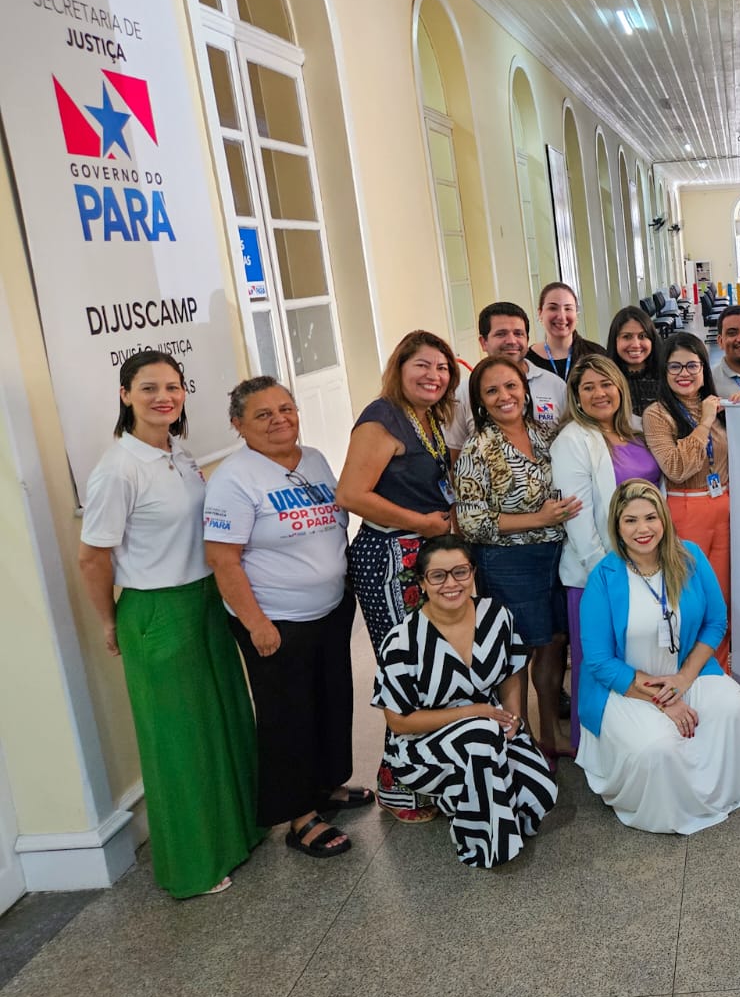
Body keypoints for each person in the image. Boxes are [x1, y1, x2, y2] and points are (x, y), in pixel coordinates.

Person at [77, 351, 262, 897]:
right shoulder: (117, 468)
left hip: (204, 601)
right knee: (178, 744)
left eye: (174, 387)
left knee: (224, 723)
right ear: (124, 395)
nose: (165, 396)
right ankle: (193, 867)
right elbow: (93, 559)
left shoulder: (178, 453)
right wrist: (111, 622)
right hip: (156, 609)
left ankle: (238, 833)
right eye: (150, 387)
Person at [204, 376, 365, 860]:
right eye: (263, 415)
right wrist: (256, 624)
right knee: (287, 716)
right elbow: (223, 559)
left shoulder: (313, 458)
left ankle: (325, 786)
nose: (279, 420)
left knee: (332, 701)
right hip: (275, 619)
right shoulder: (234, 478)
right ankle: (299, 816)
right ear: (238, 425)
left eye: (286, 409)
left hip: (330, 610)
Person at [576, 480, 740, 832]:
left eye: (650, 517)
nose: (642, 529)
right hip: (626, 685)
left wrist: (682, 680)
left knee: (733, 706)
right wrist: (664, 699)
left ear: (664, 518)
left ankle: (720, 793)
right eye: (630, 520)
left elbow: (715, 622)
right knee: (657, 746)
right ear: (617, 526)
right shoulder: (604, 577)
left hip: (685, 672)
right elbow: (599, 660)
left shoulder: (689, 556)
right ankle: (668, 810)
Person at [371, 535, 559, 868]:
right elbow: (399, 721)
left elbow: (511, 672)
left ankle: (463, 796)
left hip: (489, 727)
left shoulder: (495, 615)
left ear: (473, 572)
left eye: (460, 572)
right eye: (438, 575)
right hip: (421, 747)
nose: (451, 583)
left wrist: (513, 717)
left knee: (540, 790)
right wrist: (475, 713)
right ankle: (484, 844)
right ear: (422, 582)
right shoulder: (402, 641)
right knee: (481, 740)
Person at [337, 329, 459, 823]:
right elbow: (350, 494)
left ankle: (431, 775)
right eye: (423, 366)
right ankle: (399, 785)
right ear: (399, 368)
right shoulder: (381, 417)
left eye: (442, 368)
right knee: (404, 669)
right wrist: (423, 523)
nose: (433, 376)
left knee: (431, 664)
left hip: (421, 553)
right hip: (390, 555)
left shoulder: (426, 417)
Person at [454, 355, 581, 760]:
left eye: (510, 386)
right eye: (491, 390)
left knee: (553, 644)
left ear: (525, 390)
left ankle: (550, 734)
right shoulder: (479, 448)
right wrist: (537, 518)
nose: (504, 396)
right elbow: (470, 522)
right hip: (509, 563)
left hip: (555, 555)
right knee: (516, 653)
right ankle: (518, 743)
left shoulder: (545, 434)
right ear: (480, 401)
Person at [552, 354, 663, 751]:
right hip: (599, 577)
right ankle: (597, 749)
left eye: (606, 384)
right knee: (599, 666)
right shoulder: (572, 441)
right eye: (588, 388)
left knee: (642, 661)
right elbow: (577, 520)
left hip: (649, 567)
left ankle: (646, 741)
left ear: (620, 387)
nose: (600, 393)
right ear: (577, 398)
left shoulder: (636, 430)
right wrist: (610, 578)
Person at [642, 332, 734, 670]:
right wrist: (706, 422)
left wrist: (733, 410)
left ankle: (719, 671)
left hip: (724, 507)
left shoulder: (716, 404)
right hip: (685, 509)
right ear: (664, 372)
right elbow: (676, 467)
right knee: (690, 599)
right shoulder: (657, 414)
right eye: (675, 366)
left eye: (692, 365)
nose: (684, 373)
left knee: (721, 599)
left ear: (703, 368)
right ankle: (687, 673)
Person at [444, 301, 567, 451]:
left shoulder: (555, 385)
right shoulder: (464, 392)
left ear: (527, 340)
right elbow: (454, 453)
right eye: (501, 334)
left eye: (518, 333)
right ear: (483, 342)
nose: (511, 341)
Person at [526, 281, 605, 382]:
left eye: (568, 308)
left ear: (577, 315)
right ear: (540, 313)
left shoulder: (597, 354)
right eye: (553, 308)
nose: (561, 317)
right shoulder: (527, 360)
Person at [606, 305, 663, 419]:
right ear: (615, 340)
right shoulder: (606, 380)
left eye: (642, 336)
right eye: (627, 337)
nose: (636, 345)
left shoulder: (667, 375)